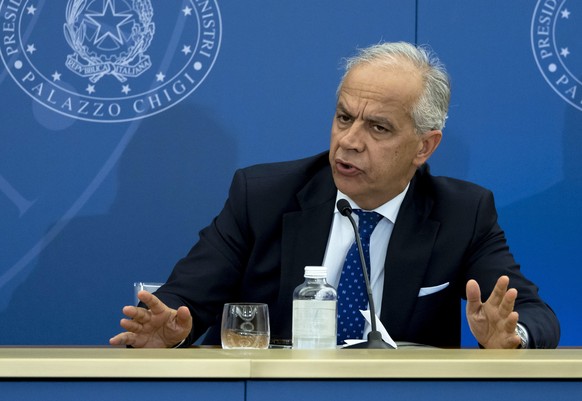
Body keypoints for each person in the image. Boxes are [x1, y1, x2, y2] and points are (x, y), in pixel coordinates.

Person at [110, 42, 560, 349]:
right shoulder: (263, 196)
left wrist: (512, 335)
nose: (349, 141)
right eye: (344, 118)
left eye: (378, 128)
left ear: (424, 146)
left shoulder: (463, 213)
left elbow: (536, 314)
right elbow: (183, 302)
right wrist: (168, 331)